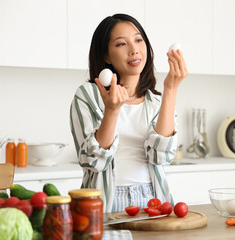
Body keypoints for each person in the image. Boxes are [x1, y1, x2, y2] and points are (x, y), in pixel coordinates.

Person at [70, 13, 187, 213]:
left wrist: (171, 89)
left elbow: (162, 157)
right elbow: (93, 160)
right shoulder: (88, 95)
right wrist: (112, 110)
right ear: (106, 55)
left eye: (138, 40)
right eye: (121, 44)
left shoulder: (157, 102)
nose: (134, 50)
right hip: (106, 201)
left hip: (153, 200)